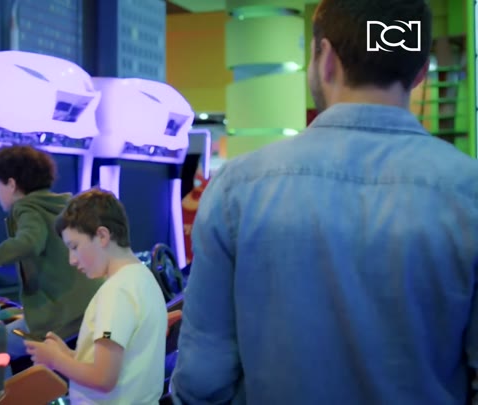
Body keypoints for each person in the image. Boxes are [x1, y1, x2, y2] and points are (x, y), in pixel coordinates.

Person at [171, 1, 478, 404]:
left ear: (327, 59)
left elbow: (202, 379)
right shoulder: (468, 192)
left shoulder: (236, 190)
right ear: (420, 72)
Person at [0, 146, 103, 362]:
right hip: (90, 309)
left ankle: (10, 387)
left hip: (62, 319)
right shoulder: (61, 206)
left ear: (12, 185)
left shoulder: (27, 208)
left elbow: (28, 243)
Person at [25, 189, 167, 404]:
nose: (72, 260)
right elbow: (119, 364)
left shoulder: (117, 291)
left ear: (102, 236)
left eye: (74, 247)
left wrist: (55, 360)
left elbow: (103, 379)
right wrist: (69, 356)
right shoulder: (142, 278)